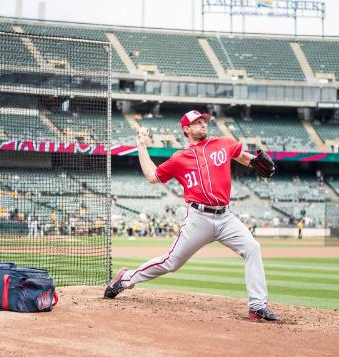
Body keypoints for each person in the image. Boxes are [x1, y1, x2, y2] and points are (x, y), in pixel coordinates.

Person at [104, 109, 280, 322]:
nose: (203, 124)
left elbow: (240, 156)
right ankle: (125, 279)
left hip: (226, 217)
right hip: (199, 218)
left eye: (203, 121)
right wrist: (141, 146)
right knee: (171, 263)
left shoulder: (222, 143)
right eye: (197, 122)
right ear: (186, 129)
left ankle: (257, 306)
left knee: (252, 247)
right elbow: (152, 176)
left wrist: (254, 162)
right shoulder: (179, 158)